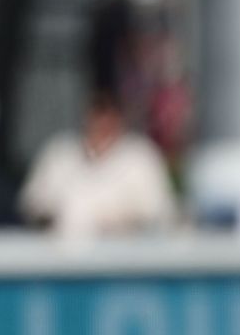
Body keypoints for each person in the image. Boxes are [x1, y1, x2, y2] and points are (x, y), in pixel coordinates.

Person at [18, 88, 177, 238]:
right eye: (96, 115)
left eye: (108, 116)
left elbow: (159, 213)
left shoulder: (141, 157)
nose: (101, 123)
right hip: (62, 256)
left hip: (124, 257)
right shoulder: (59, 154)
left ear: (119, 120)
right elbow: (32, 206)